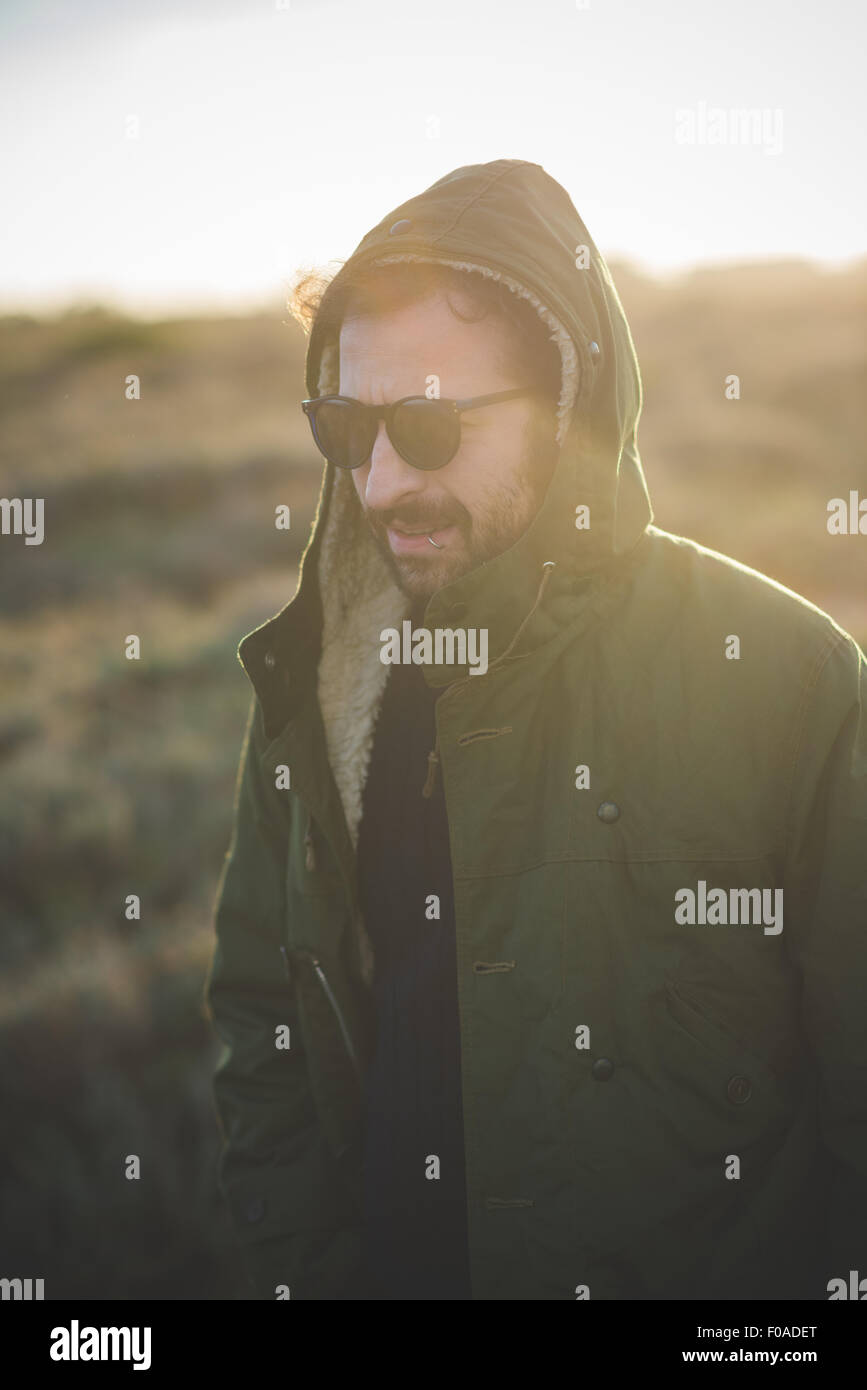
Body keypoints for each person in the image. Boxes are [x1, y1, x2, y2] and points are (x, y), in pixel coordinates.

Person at [205, 158, 867, 1301]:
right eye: (345, 424)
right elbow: (267, 1028)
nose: (377, 482)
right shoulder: (320, 687)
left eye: (423, 424)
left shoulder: (786, 682)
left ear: (566, 408)